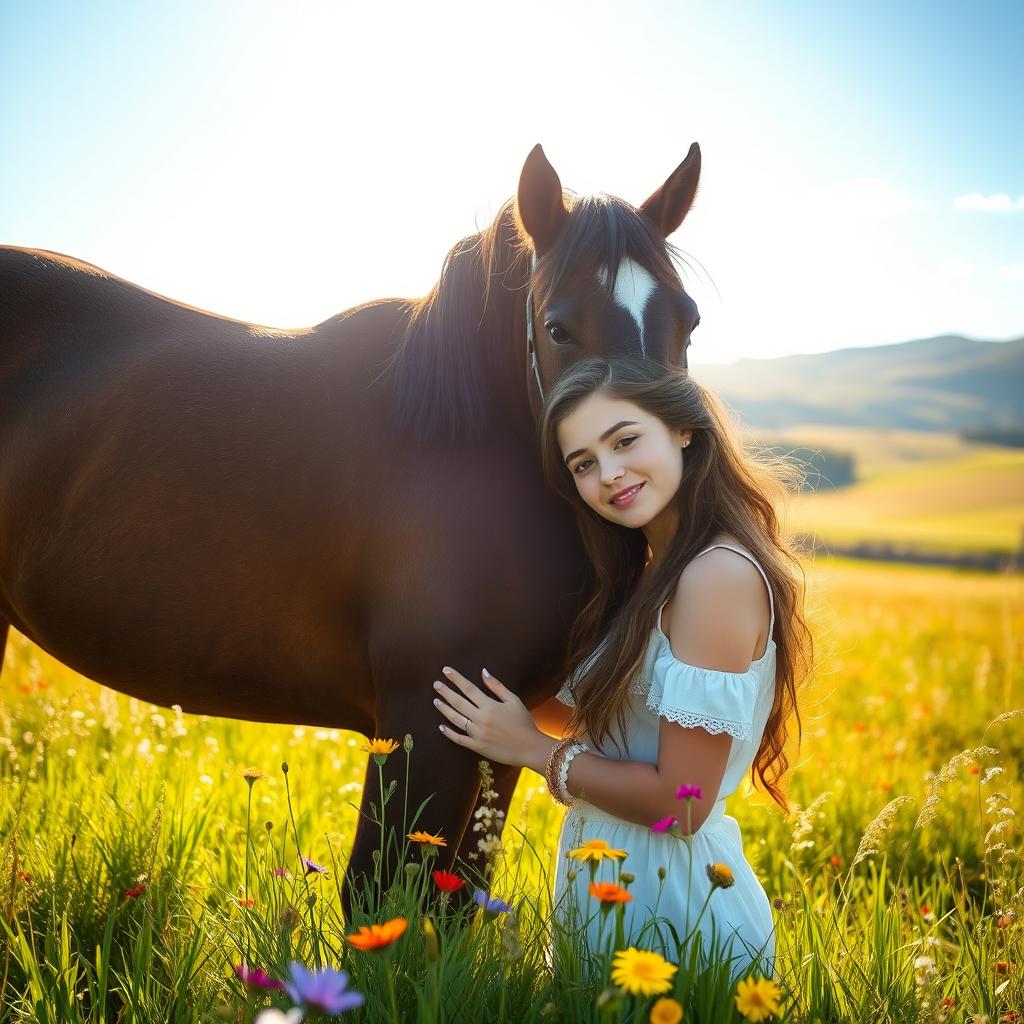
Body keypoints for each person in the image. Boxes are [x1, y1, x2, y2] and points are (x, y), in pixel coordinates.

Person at [432, 356, 813, 978]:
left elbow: (683, 804)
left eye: (625, 440)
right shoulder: (653, 573)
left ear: (683, 429)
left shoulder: (715, 576)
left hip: (680, 923)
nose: (609, 474)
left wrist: (532, 749)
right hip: (623, 903)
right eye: (583, 463)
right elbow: (622, 731)